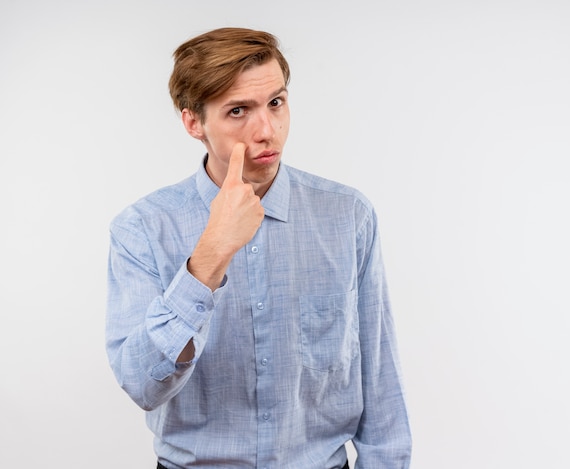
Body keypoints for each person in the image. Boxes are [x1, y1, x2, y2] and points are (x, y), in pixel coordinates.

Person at [106, 27, 412, 469]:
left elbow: (380, 381)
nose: (266, 129)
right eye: (237, 111)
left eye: (276, 102)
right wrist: (210, 255)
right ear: (193, 121)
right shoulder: (142, 229)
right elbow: (141, 383)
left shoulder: (348, 216)